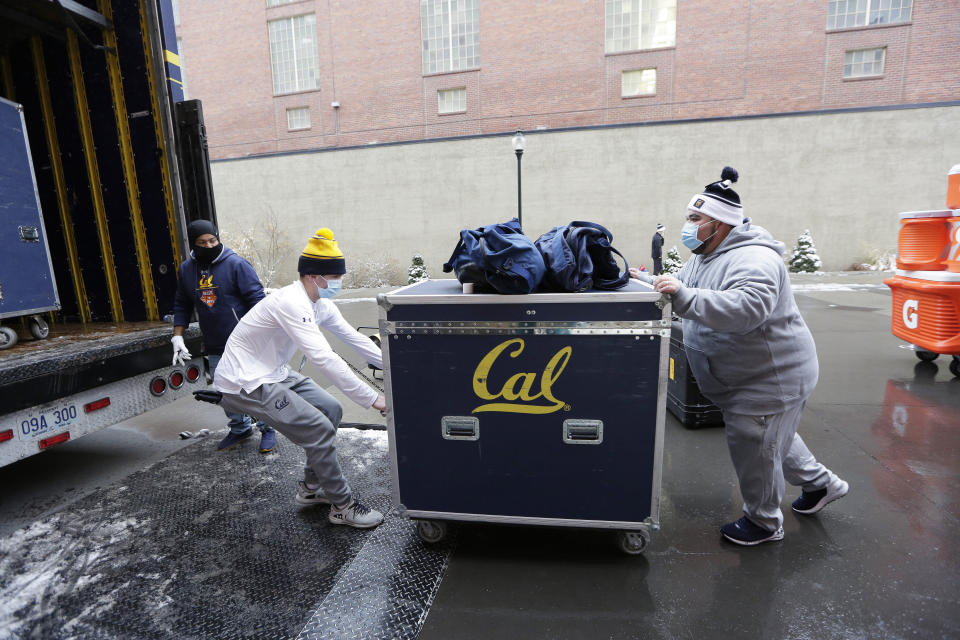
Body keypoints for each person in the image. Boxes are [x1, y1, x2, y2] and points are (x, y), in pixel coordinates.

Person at [629, 167, 848, 546]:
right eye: (689, 218)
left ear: (722, 223)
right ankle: (823, 485)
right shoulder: (707, 254)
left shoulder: (754, 259)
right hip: (741, 377)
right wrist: (644, 281)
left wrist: (683, 296)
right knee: (776, 438)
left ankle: (764, 522)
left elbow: (748, 307)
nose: (688, 226)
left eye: (696, 219)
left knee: (755, 445)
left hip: (769, 378)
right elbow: (686, 287)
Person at [212, 228, 387, 529]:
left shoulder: (321, 304)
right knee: (318, 429)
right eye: (334, 277)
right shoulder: (291, 301)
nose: (338, 282)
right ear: (313, 275)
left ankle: (310, 489)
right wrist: (373, 399)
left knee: (331, 410)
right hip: (246, 380)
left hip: (275, 372)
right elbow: (324, 357)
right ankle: (342, 506)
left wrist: (396, 367)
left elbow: (355, 341)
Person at [171, 220, 277, 453]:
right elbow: (182, 304)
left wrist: (264, 336)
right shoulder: (187, 270)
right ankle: (240, 428)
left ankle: (267, 428)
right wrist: (177, 336)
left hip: (246, 342)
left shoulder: (236, 264)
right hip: (216, 343)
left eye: (213, 241)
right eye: (202, 242)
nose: (209, 245)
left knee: (254, 389)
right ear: (194, 244)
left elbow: (258, 302)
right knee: (226, 391)